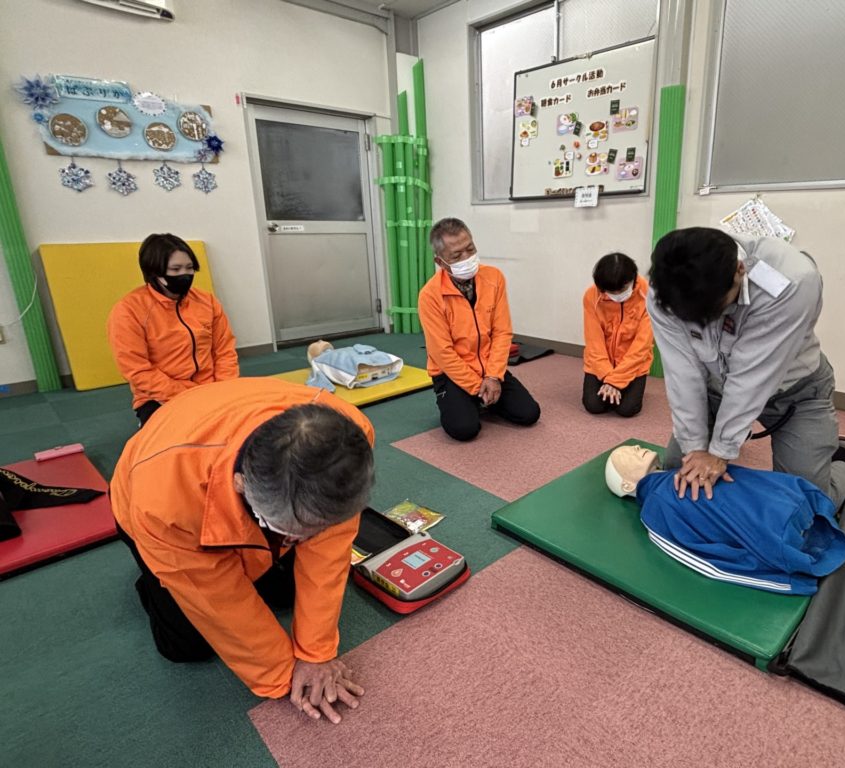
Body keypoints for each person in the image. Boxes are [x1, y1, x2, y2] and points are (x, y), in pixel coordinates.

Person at [110, 377, 374, 724]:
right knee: (187, 645)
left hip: (235, 459)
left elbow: (330, 548)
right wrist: (283, 673)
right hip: (153, 502)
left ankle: (271, 546)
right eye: (293, 534)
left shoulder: (347, 439)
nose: (308, 541)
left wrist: (315, 654)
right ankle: (153, 580)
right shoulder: (161, 502)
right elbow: (216, 599)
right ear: (240, 484)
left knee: (286, 593)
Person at [647, 227, 845, 507]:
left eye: (714, 312)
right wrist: (696, 449)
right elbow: (682, 374)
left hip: (796, 393)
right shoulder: (665, 290)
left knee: (805, 504)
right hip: (715, 389)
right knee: (678, 475)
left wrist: (719, 452)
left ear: (740, 270)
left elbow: (750, 379)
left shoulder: (793, 281)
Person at [604, 444, 845, 595]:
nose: (635, 448)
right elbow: (699, 556)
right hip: (785, 517)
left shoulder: (682, 469)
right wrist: (783, 581)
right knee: (824, 493)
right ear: (626, 485)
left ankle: (844, 465)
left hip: (787, 503)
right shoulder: (655, 507)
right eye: (626, 455)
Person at [418, 217, 541, 441]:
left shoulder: (494, 277)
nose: (466, 258)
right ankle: (475, 398)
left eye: (470, 249)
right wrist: (476, 386)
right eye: (456, 255)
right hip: (452, 374)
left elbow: (502, 332)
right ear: (440, 261)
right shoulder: (430, 296)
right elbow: (441, 352)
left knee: (529, 414)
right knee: (464, 429)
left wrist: (493, 376)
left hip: (489, 368)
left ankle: (485, 397)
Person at [107, 233, 239, 426]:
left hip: (211, 388)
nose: (184, 274)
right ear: (155, 272)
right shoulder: (128, 311)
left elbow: (224, 350)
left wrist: (224, 388)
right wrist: (186, 396)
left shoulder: (207, 302)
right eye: (175, 269)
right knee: (191, 436)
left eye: (189, 268)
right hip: (161, 396)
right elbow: (137, 370)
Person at [582, 252, 654, 417]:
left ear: (633, 278)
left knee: (627, 409)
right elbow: (594, 343)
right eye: (611, 292)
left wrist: (615, 381)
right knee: (594, 405)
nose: (616, 295)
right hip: (600, 363)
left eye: (621, 290)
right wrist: (609, 377)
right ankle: (612, 385)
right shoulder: (591, 296)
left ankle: (621, 386)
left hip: (634, 363)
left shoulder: (649, 296)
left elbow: (641, 347)